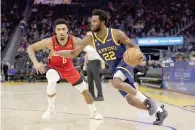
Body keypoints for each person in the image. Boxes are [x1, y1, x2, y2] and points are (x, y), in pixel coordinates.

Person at [54, 9, 168, 125]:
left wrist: (138, 56)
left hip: (124, 62)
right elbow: (73, 53)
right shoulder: (90, 39)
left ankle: (148, 101)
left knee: (116, 83)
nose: (91, 23)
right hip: (114, 69)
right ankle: (160, 111)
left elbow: (133, 46)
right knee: (130, 100)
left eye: (94, 21)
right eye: (91, 21)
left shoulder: (116, 33)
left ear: (102, 22)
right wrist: (57, 52)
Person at [27, 18, 103, 120]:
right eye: (59, 29)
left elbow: (90, 48)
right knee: (51, 77)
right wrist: (35, 63)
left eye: (63, 29)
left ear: (67, 30)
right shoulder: (49, 41)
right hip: (54, 67)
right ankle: (51, 108)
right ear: (55, 31)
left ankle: (93, 112)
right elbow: (30, 48)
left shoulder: (75, 40)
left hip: (69, 68)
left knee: (85, 91)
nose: (61, 31)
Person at [83, 32, 104, 101]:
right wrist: (85, 64)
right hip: (89, 62)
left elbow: (101, 53)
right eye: (87, 36)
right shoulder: (87, 45)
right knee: (89, 81)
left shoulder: (97, 43)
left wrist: (102, 63)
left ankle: (100, 96)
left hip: (96, 62)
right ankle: (92, 95)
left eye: (89, 36)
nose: (87, 37)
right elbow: (86, 55)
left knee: (97, 80)